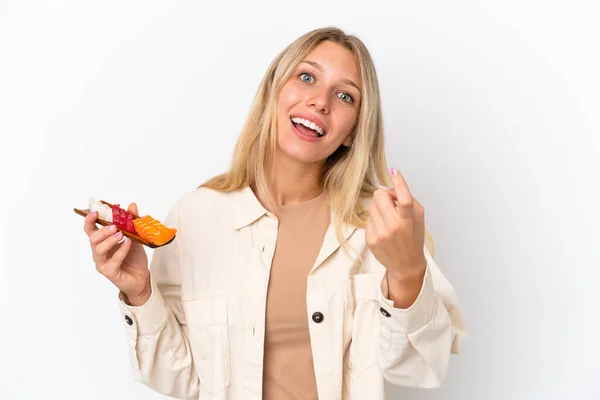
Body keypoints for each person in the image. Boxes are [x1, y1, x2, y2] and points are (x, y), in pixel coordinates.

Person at [83, 26, 466, 400]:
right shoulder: (195, 217)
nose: (320, 101)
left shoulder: (381, 225)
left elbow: (419, 368)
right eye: (306, 77)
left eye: (345, 96)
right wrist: (139, 292)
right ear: (273, 92)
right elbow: (183, 380)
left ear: (352, 131)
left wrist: (407, 270)